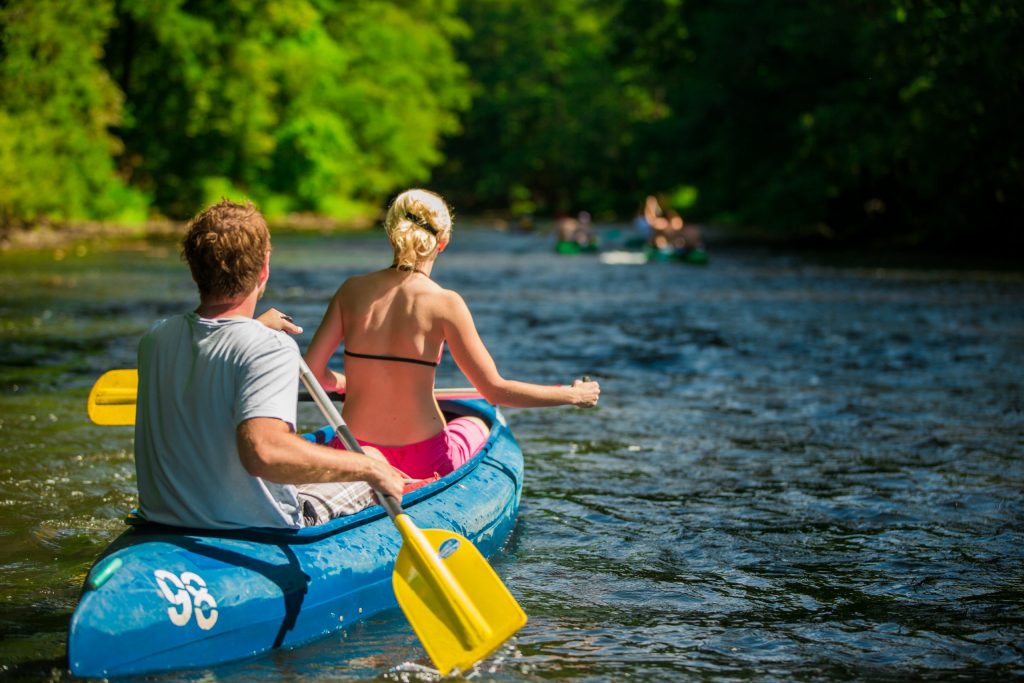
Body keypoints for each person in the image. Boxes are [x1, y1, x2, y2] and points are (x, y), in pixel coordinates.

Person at [134, 199, 406, 530]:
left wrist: (255, 330)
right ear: (264, 268)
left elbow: (210, 348)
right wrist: (370, 469)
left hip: (165, 525)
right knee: (374, 458)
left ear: (193, 270)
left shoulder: (156, 339)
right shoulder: (270, 348)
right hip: (261, 529)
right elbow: (264, 453)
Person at [305, 188, 601, 480]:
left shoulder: (350, 291)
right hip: (424, 460)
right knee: (477, 423)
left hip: (354, 450)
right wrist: (572, 394)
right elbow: (494, 391)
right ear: (443, 242)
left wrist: (344, 382)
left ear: (390, 233)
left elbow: (313, 373)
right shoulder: (446, 303)